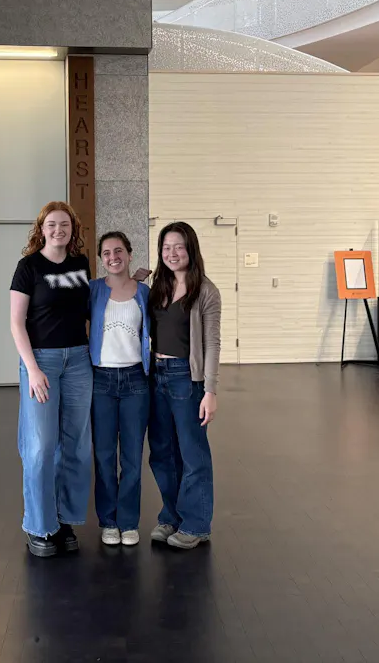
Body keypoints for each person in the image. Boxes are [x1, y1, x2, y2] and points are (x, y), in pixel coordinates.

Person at [9, 202, 93, 558]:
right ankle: (39, 525)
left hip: (78, 360)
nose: (59, 230)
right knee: (41, 446)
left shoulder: (81, 265)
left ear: (73, 229)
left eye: (65, 224)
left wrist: (130, 282)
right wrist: (32, 369)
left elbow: (95, 304)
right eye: (52, 224)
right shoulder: (28, 267)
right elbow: (16, 322)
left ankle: (64, 520)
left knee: (75, 445)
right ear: (41, 229)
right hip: (41, 361)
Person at [147, 221, 221, 550]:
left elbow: (213, 344)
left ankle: (196, 524)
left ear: (190, 249)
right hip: (156, 374)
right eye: (166, 247)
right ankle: (172, 517)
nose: (172, 253)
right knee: (162, 453)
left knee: (193, 454)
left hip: (185, 377)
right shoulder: (157, 287)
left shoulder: (205, 290)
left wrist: (210, 390)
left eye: (178, 246)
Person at [88, 231, 151, 547]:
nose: (113, 257)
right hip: (100, 381)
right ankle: (108, 521)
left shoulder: (144, 292)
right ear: (101, 258)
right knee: (103, 456)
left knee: (131, 457)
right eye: (106, 253)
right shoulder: (94, 290)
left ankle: (128, 522)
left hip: (136, 382)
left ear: (129, 253)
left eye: (118, 251)